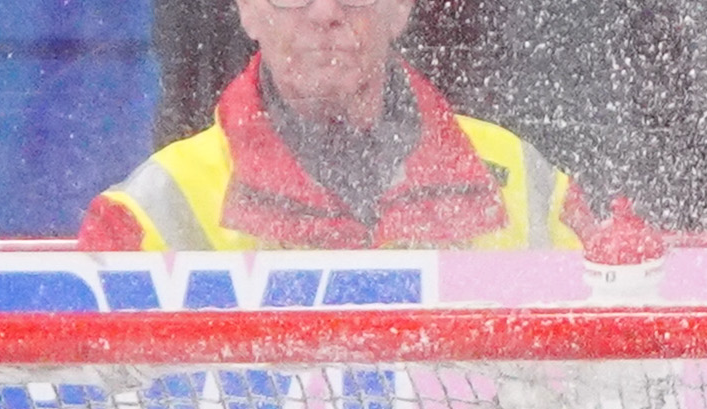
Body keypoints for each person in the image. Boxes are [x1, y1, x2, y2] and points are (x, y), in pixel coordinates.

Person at [80, 0, 586, 252]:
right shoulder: (146, 218)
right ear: (246, 11)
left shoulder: (528, 183)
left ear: (403, 8)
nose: (325, 12)